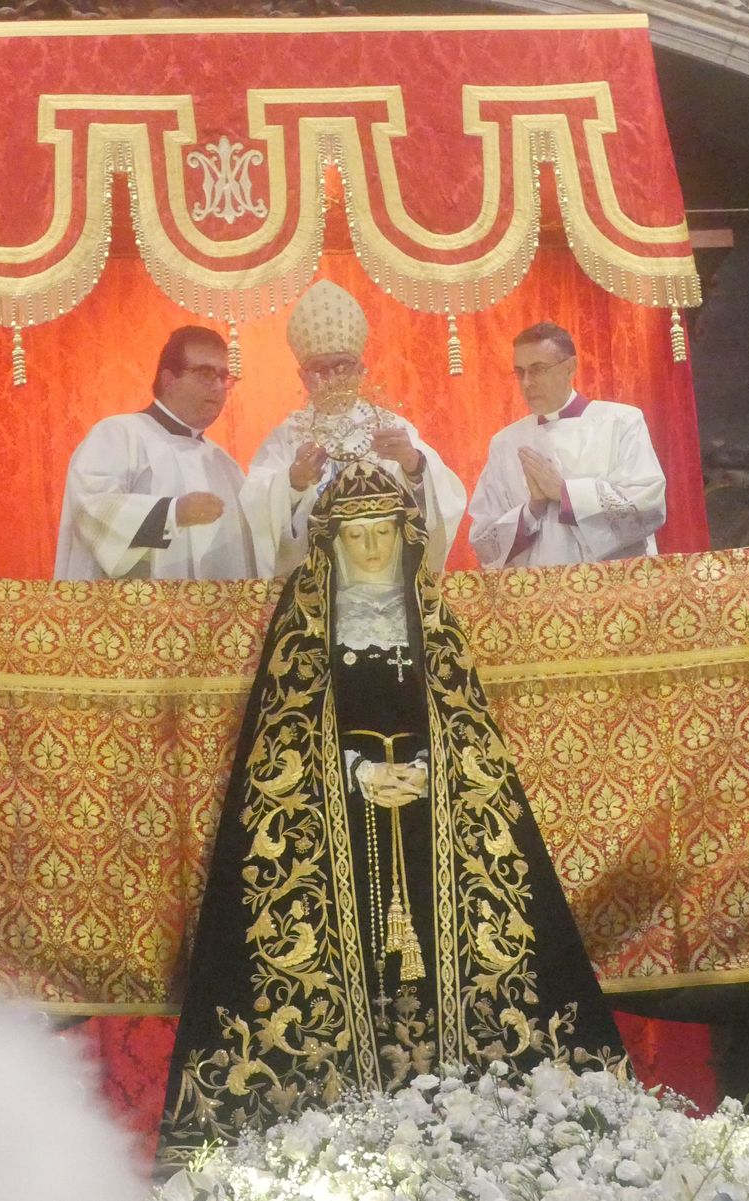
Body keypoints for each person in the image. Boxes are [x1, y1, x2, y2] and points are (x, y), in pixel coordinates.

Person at [158, 462, 625, 1169]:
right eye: (357, 535)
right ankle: (320, 1132)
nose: (372, 550)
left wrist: (433, 772)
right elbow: (280, 737)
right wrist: (356, 772)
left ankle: (485, 1126)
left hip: (434, 824)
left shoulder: (431, 618)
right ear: (332, 542)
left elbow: (468, 726)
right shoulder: (304, 625)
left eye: (384, 533)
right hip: (331, 830)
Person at [241, 279, 465, 576]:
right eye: (320, 368)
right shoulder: (286, 436)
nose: (333, 378)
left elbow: (443, 502)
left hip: (386, 579)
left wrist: (413, 465)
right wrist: (292, 482)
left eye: (343, 365)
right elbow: (255, 504)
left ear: (361, 369)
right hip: (315, 580)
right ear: (303, 377)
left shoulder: (392, 427)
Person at [55, 326, 255, 580]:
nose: (218, 387)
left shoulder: (225, 465)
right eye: (205, 373)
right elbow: (91, 511)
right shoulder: (118, 435)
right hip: (136, 613)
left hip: (214, 617)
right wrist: (172, 513)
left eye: (223, 376)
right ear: (168, 379)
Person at [468, 321, 666, 568]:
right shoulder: (505, 444)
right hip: (535, 597)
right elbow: (484, 545)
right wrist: (532, 510)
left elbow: (648, 506)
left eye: (538, 369)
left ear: (570, 367)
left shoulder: (621, 422)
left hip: (611, 590)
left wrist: (564, 493)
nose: (526, 383)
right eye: (520, 372)